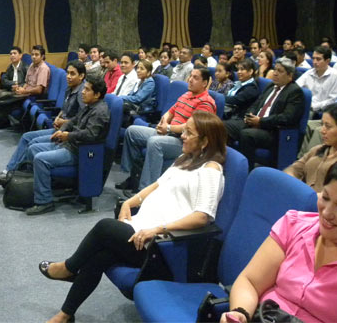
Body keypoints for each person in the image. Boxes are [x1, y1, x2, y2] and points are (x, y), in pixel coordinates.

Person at [40, 111, 227, 323]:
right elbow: (157, 185)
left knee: (104, 227)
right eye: (183, 130)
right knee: (100, 256)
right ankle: (65, 314)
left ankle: (68, 267)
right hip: (142, 227)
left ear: (205, 141)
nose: (182, 135)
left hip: (161, 245)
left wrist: (158, 230)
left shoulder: (211, 170)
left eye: (189, 133)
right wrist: (130, 202)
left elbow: (203, 217)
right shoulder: (185, 159)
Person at [221, 156, 337, 323]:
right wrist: (240, 313)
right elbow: (250, 281)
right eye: (325, 198)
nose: (326, 213)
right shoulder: (294, 224)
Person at [0, 60, 86, 185]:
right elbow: (63, 110)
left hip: (67, 132)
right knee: (26, 136)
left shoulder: (83, 93)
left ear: (81, 76)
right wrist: (57, 118)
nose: (68, 76)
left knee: (33, 144)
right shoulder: (70, 88)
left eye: (72, 74)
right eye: (68, 73)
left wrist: (62, 122)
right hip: (60, 127)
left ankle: (14, 175)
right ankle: (8, 172)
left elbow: (81, 120)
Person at [118, 68, 217, 192]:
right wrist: (163, 122)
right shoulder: (186, 94)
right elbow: (170, 112)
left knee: (155, 143)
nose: (190, 80)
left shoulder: (206, 103)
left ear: (204, 83)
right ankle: (133, 177)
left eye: (195, 78)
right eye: (190, 76)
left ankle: (145, 191)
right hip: (168, 132)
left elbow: (192, 128)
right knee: (132, 132)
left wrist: (168, 127)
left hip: (184, 141)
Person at [23, 76, 110, 215]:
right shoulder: (90, 105)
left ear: (97, 94)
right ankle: (31, 187)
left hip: (79, 152)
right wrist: (62, 130)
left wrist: (67, 135)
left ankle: (44, 201)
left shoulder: (100, 111)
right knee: (33, 148)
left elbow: (90, 135)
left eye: (87, 90)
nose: (82, 92)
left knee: (40, 159)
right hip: (69, 143)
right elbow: (73, 120)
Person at [224, 58, 305, 169]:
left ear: (290, 75)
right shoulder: (271, 86)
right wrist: (249, 115)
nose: (275, 73)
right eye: (275, 70)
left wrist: (261, 121)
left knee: (246, 134)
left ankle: (246, 170)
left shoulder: (295, 92)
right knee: (224, 126)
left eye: (280, 71)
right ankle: (226, 163)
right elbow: (256, 104)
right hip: (255, 122)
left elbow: (287, 118)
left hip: (272, 131)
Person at [0, 45, 50, 138]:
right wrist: (21, 88)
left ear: (42, 56)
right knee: (4, 107)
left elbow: (39, 90)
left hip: (33, 97)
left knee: (3, 104)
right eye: (32, 54)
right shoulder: (32, 65)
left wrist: (24, 91)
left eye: (37, 55)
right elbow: (27, 82)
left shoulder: (43, 68)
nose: (34, 57)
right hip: (24, 93)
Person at [284, 103, 337, 192]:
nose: (322, 131)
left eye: (328, 126)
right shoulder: (318, 149)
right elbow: (293, 169)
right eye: (322, 124)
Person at [295, 46, 337, 119]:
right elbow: (296, 87)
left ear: (327, 61)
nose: (314, 62)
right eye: (313, 58)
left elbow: (334, 100)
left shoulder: (336, 76)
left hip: (323, 111)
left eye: (318, 59)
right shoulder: (309, 72)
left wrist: (314, 106)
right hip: (306, 106)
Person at [120, 59, 157, 126]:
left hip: (143, 110)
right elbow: (130, 95)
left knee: (122, 105)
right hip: (135, 107)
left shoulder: (150, 82)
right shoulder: (139, 81)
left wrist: (121, 97)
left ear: (148, 72)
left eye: (142, 69)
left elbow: (138, 99)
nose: (138, 70)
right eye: (137, 68)